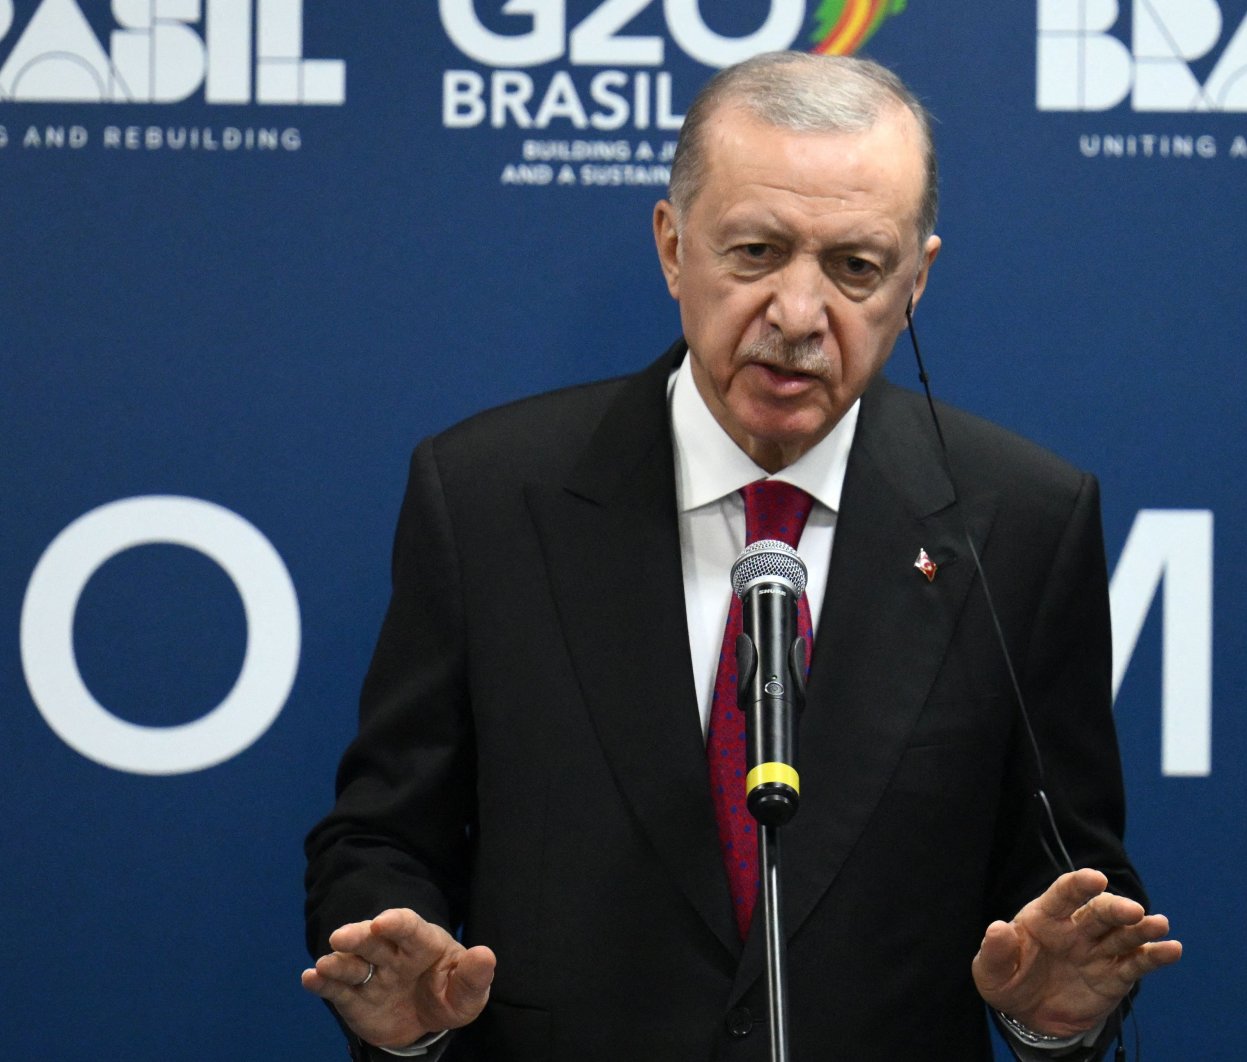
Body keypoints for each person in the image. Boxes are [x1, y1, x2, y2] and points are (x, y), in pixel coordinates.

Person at [302, 51, 1180, 1060]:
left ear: (916, 281)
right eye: (756, 252)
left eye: (855, 267)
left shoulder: (1021, 524)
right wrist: (396, 987)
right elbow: (380, 838)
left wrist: (1053, 1012)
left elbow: (1065, 884)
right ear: (674, 247)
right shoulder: (489, 496)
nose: (799, 317)